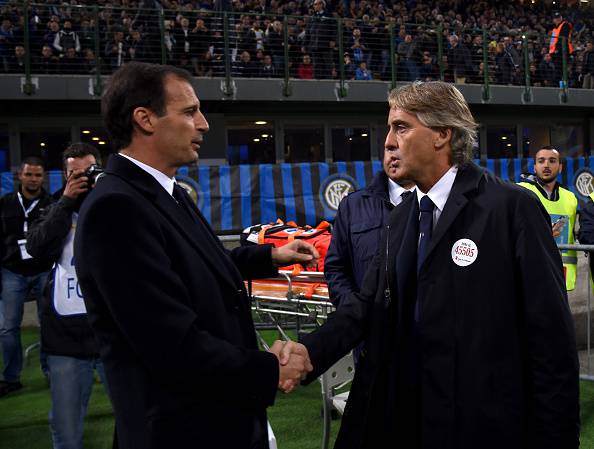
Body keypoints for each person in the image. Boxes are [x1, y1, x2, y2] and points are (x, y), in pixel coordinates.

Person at [278, 81, 579, 449]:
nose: (388, 141)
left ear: (441, 135)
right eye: (389, 128)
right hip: (405, 418)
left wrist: (557, 437)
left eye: (401, 127)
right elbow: (365, 304)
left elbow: (550, 339)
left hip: (480, 425)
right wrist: (311, 351)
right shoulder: (403, 216)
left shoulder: (510, 208)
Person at [73, 62, 317, 449]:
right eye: (189, 112)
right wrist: (269, 368)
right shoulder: (116, 209)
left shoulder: (161, 192)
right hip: (182, 430)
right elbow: (171, 346)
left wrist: (271, 256)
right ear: (145, 119)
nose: (204, 124)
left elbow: (200, 266)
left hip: (215, 421)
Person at [26, 143, 110, 449]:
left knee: (137, 417)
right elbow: (36, 247)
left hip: (110, 332)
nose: (80, 179)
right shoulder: (53, 207)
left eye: (87, 172)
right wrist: (66, 203)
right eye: (73, 173)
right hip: (66, 338)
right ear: (64, 175)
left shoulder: (114, 205)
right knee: (66, 427)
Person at [0, 156, 54, 397]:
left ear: (43, 178)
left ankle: (49, 371)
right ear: (19, 176)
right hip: (12, 271)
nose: (33, 179)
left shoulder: (52, 204)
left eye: (38, 175)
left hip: (43, 270)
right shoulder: (6, 203)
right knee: (9, 327)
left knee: (48, 325)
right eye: (29, 174)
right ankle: (11, 377)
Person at [518, 146, 578, 291]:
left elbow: (573, 234)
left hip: (561, 274)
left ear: (560, 167)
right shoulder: (520, 193)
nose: (546, 165)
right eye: (541, 161)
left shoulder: (570, 198)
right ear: (534, 167)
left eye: (552, 161)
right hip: (530, 272)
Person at [549, 12, 574, 84]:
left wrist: (557, 49)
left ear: (561, 18)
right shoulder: (555, 28)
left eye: (558, 18)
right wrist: (551, 53)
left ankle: (561, 87)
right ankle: (560, 86)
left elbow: (563, 38)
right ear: (553, 20)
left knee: (560, 72)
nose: (557, 19)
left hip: (562, 52)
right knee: (558, 72)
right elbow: (553, 41)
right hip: (556, 53)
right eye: (556, 18)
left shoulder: (565, 25)